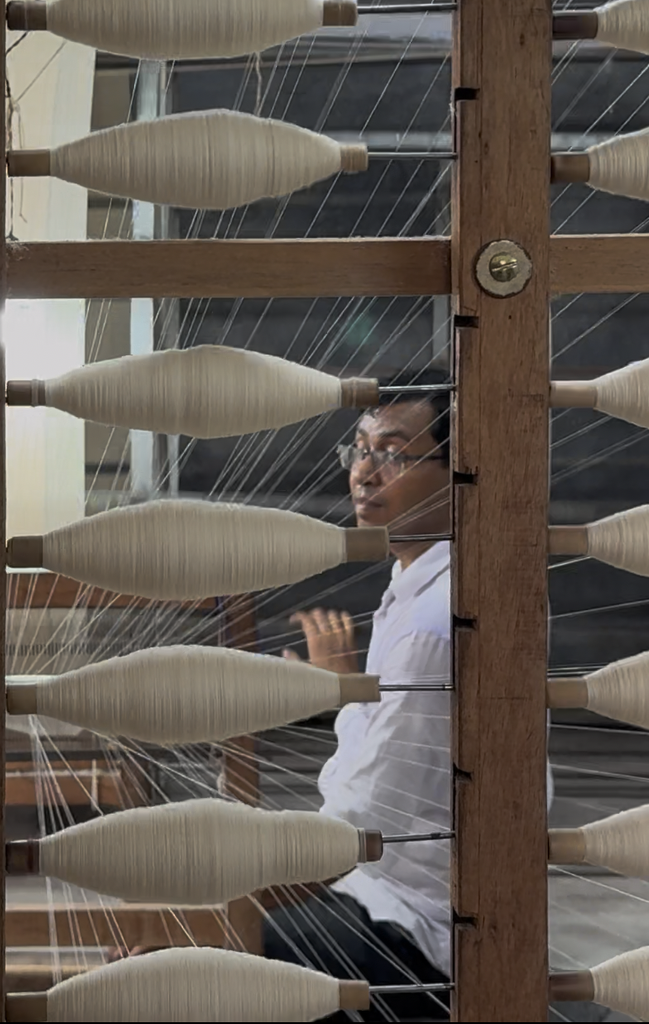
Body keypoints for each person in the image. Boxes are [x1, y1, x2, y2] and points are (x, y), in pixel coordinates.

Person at [260, 378, 454, 1019]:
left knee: (214, 958)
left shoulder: (436, 619)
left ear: (463, 471)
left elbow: (368, 814)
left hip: (412, 930)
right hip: (380, 891)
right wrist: (348, 694)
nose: (365, 473)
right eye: (360, 450)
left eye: (394, 453)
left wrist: (345, 698)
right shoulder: (413, 588)